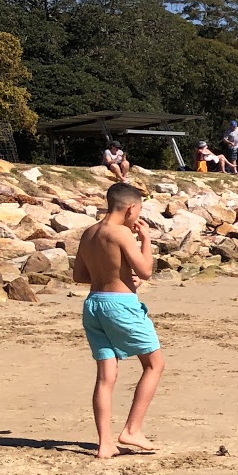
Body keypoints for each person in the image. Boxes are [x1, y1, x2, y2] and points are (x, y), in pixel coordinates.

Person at [70, 183, 165, 459]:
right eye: (139, 212)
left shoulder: (90, 233)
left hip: (94, 304)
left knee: (106, 376)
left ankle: (105, 443)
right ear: (131, 208)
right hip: (120, 307)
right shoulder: (121, 233)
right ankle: (132, 429)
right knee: (154, 364)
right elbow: (146, 270)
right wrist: (146, 240)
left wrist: (118, 278)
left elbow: (80, 275)